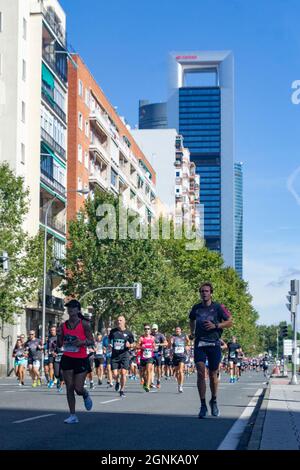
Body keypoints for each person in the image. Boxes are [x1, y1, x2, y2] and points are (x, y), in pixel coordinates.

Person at [189, 282, 233, 418]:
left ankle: (213, 400)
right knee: (201, 372)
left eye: (206, 291)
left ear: (211, 293)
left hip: (214, 343)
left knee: (213, 374)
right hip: (200, 343)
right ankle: (202, 405)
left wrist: (216, 325)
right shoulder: (196, 308)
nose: (204, 293)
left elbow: (230, 321)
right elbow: (191, 319)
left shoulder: (218, 307)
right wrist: (192, 331)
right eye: (202, 291)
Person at [57, 299, 94, 424]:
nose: (70, 309)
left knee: (78, 388)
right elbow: (59, 344)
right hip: (67, 357)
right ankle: (73, 415)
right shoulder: (63, 325)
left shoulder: (84, 324)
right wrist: (58, 335)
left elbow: (91, 341)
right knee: (69, 387)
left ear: (78, 310)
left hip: (81, 359)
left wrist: (82, 342)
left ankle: (85, 394)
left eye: (73, 307)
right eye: (68, 307)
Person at [109, 316, 135, 398]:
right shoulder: (113, 332)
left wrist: (130, 345)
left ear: (124, 322)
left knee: (123, 373)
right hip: (115, 355)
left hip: (125, 355)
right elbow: (109, 340)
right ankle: (117, 382)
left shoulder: (128, 333)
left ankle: (122, 390)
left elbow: (134, 344)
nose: (119, 322)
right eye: (118, 320)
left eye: (120, 320)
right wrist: (109, 344)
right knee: (115, 374)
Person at [170, 326, 190, 393]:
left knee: (181, 371)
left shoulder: (184, 335)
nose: (177, 331)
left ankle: (181, 385)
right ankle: (179, 384)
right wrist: (171, 342)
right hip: (175, 355)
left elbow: (188, 341)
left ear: (181, 330)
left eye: (178, 329)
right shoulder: (173, 336)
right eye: (176, 330)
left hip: (182, 355)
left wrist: (188, 346)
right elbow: (170, 344)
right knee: (177, 372)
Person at [138, 324, 156, 392]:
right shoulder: (141, 338)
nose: (147, 330)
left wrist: (154, 347)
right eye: (145, 329)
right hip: (143, 357)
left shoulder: (152, 338)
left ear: (150, 330)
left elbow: (154, 345)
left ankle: (148, 386)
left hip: (150, 357)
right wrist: (141, 347)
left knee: (148, 370)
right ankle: (145, 382)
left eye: (148, 329)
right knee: (143, 373)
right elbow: (137, 345)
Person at [151, 324, 167, 389]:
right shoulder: (150, 335)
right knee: (150, 368)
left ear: (157, 329)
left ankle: (158, 380)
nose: (154, 330)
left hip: (158, 353)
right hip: (151, 354)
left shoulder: (161, 335)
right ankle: (151, 382)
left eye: (155, 329)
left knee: (158, 368)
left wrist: (159, 344)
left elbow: (166, 343)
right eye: (153, 329)